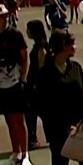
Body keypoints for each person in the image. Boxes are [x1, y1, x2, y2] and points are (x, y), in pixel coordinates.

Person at [34, 30, 83, 165]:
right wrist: (59, 125)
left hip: (80, 127)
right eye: (71, 43)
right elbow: (41, 104)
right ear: (62, 47)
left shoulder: (76, 68)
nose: (75, 47)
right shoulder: (45, 73)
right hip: (58, 130)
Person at [0, 5, 33, 165]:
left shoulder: (15, 35)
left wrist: (23, 79)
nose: (4, 19)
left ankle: (26, 154)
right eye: (0, 17)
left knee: (19, 119)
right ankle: (16, 152)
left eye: (5, 16)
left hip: (15, 80)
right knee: (8, 119)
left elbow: (24, 57)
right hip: (0, 82)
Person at [25, 21, 50, 150]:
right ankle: (34, 137)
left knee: (34, 112)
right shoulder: (40, 45)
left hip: (36, 85)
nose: (27, 32)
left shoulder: (41, 47)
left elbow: (41, 65)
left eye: (28, 29)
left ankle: (33, 138)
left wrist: (36, 83)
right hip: (34, 83)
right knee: (36, 112)